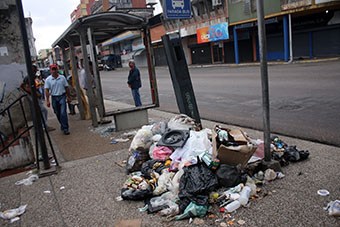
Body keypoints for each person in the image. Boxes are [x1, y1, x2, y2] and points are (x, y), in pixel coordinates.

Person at [20, 65, 55, 132]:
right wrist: (35, 93)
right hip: (33, 96)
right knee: (43, 110)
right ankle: (43, 126)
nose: (36, 71)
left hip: (34, 96)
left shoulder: (30, 77)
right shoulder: (30, 77)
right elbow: (26, 86)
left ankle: (42, 125)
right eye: (35, 70)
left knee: (41, 111)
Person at [44, 64, 71, 135]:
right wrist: (47, 100)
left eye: (55, 69)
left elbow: (66, 88)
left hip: (62, 96)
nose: (54, 71)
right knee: (57, 112)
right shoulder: (48, 80)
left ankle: (65, 128)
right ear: (50, 70)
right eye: (52, 69)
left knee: (63, 113)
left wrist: (68, 97)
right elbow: (46, 90)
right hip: (54, 97)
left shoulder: (62, 78)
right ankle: (62, 124)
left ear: (57, 69)